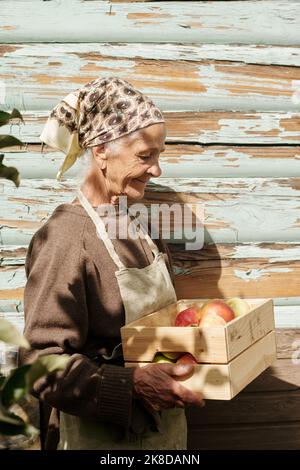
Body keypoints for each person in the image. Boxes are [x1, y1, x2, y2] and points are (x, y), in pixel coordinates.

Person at [19, 76, 203, 450]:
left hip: (160, 435)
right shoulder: (65, 238)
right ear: (101, 150)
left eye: (159, 155)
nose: (157, 170)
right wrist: (132, 385)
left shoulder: (138, 227)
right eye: (145, 155)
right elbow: (41, 363)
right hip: (100, 439)